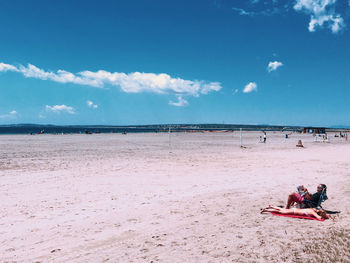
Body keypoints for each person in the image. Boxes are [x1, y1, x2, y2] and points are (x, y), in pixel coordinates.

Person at [261, 205, 329, 220]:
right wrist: (324, 217)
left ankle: (272, 206)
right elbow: (319, 218)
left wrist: (325, 215)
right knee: (280, 212)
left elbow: (320, 213)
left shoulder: (313, 209)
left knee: (282, 210)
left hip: (295, 210)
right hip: (294, 212)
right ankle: (266, 210)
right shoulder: (313, 212)